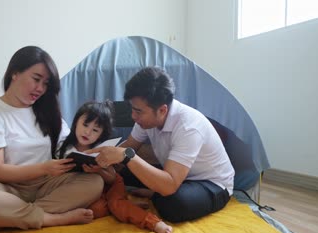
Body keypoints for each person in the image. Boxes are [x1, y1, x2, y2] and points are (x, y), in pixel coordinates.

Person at [0, 46, 104, 232]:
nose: (40, 89)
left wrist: (88, 159)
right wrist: (44, 167)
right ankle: (53, 219)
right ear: (15, 73)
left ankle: (8, 218)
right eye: (36, 79)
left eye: (46, 84)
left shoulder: (46, 111)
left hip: (47, 184)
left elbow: (67, 146)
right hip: (8, 188)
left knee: (94, 183)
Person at [86, 67, 234, 223]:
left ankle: (155, 193)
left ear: (162, 110)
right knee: (122, 172)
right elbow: (129, 146)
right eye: (132, 109)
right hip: (175, 175)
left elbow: (168, 185)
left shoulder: (188, 127)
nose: (133, 116)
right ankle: (154, 191)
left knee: (174, 204)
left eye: (138, 111)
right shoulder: (145, 119)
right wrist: (103, 162)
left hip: (211, 184)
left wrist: (125, 156)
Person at [57, 100, 173, 233]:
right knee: (96, 210)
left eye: (95, 130)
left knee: (116, 205)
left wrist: (99, 171)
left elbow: (112, 178)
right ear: (75, 123)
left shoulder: (103, 149)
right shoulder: (64, 147)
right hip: (89, 191)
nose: (87, 132)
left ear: (101, 134)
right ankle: (126, 205)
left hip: (112, 183)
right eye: (85, 125)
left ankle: (155, 223)